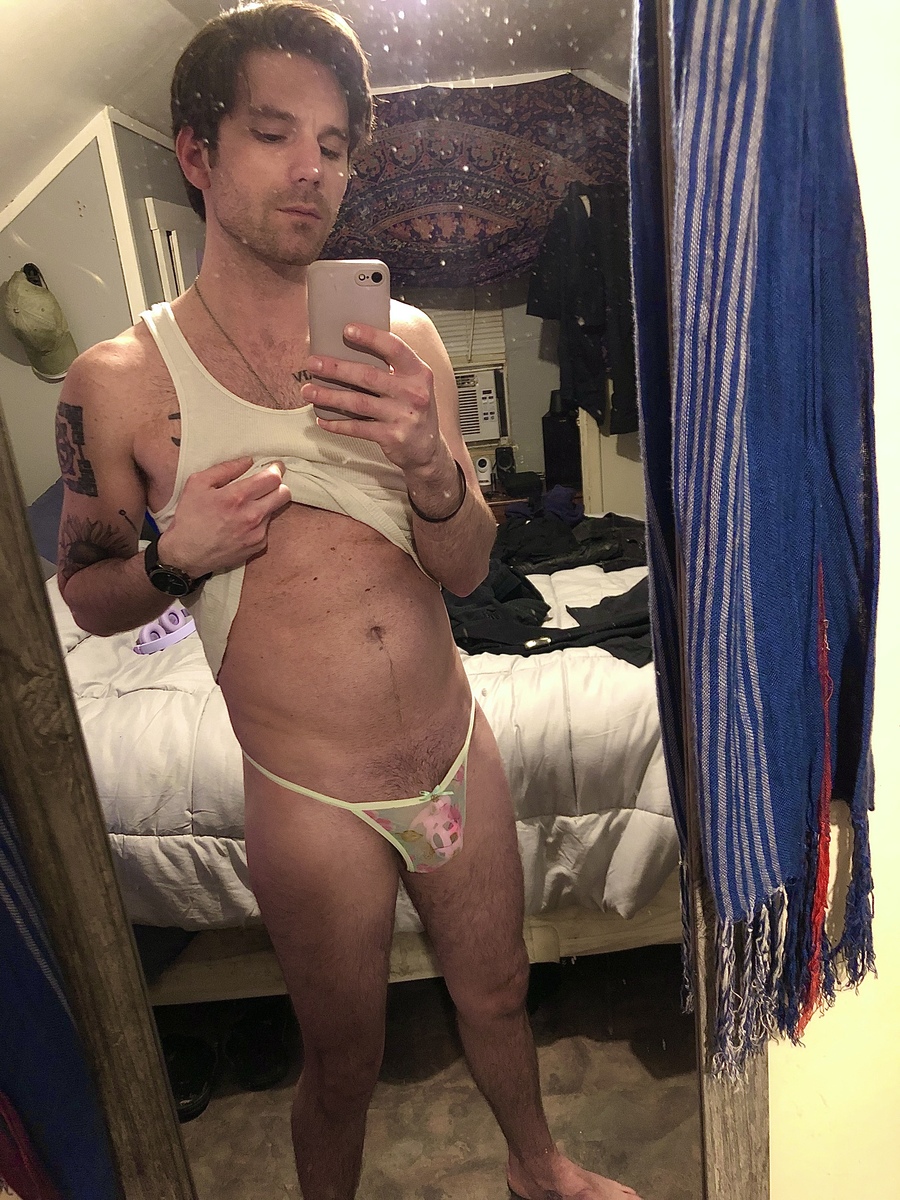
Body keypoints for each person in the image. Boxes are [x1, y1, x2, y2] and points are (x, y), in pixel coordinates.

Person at [54, 4, 640, 1198]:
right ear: (198, 152)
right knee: (343, 1059)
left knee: (500, 991)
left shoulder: (402, 339)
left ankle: (540, 1170)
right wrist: (177, 557)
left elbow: (468, 570)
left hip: (455, 749)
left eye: (332, 144)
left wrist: (431, 466)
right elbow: (89, 599)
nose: (311, 169)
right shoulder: (115, 385)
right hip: (310, 795)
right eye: (274, 134)